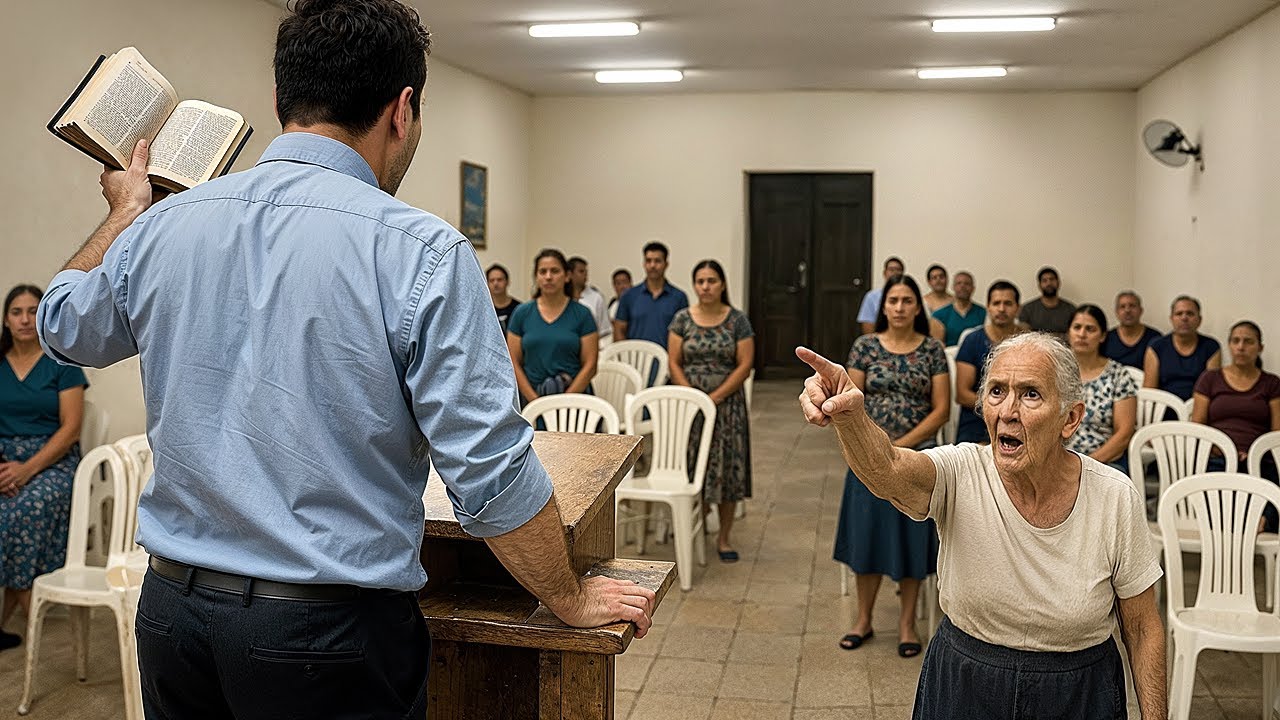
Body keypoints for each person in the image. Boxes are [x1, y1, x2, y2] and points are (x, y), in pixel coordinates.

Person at [36, 2, 654, 716]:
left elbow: (63, 326)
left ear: (278, 101)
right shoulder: (423, 252)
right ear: (403, 109)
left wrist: (124, 214)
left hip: (174, 616)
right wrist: (570, 597)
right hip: (323, 635)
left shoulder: (167, 223)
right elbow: (487, 471)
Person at [797, 332, 1166, 720]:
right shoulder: (962, 471)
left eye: (1030, 394)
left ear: (1070, 418)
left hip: (1077, 692)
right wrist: (850, 418)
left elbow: (1142, 629)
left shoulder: (1113, 496)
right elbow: (885, 469)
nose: (1008, 411)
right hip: (966, 682)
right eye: (996, 392)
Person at [833, 275, 948, 659]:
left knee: (912, 537)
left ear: (918, 307)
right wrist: (874, 447)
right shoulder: (865, 347)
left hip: (917, 454)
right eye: (893, 300)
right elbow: (850, 401)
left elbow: (941, 408)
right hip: (866, 455)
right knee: (866, 535)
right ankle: (863, 619)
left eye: (907, 300)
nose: (899, 307)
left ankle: (906, 623)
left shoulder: (931, 349)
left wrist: (901, 447)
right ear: (883, 307)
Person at [0, 285, 87, 652]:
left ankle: (20, 605)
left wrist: (26, 470)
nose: (24, 319)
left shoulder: (61, 362)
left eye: (33, 311)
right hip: (3, 461)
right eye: (16, 311)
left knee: (16, 512)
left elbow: (70, 430)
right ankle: (22, 601)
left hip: (52, 461)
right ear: (6, 319)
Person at [667, 260, 754, 562]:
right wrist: (694, 397)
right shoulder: (682, 319)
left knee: (728, 468)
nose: (706, 286)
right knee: (694, 466)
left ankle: (724, 537)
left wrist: (715, 397)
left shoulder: (737, 320)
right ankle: (696, 521)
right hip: (690, 408)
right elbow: (674, 361)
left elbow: (745, 364)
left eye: (712, 280)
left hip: (727, 406)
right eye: (701, 281)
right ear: (694, 285)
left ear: (723, 284)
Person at [1192, 321, 1280, 528]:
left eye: (1248, 342)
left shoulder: (1272, 384)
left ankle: (1258, 525)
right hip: (1216, 458)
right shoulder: (1210, 379)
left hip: (1258, 461)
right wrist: (1220, 449)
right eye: (1236, 341)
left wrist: (1253, 453)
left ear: (1260, 348)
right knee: (1218, 504)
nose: (1241, 347)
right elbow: (1197, 427)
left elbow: (1277, 433)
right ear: (1229, 345)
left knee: (1271, 490)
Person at [508, 250, 600, 402]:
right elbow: (513, 363)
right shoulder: (522, 313)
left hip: (574, 400)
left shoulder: (582, 314)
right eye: (543, 272)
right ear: (536, 277)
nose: (548, 277)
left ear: (567, 276)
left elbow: (590, 366)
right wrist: (534, 401)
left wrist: (563, 402)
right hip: (531, 399)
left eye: (555, 271)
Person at [1064, 305, 1138, 472]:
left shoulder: (1118, 375)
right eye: (1077, 327)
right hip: (1055, 459)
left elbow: (1124, 434)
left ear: (1103, 335)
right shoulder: (1054, 372)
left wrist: (1087, 465)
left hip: (1103, 463)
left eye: (1090, 329)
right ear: (1069, 332)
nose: (1082, 334)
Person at [954, 281, 1021, 444]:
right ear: (988, 307)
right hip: (977, 422)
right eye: (996, 303)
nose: (1001, 309)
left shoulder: (1029, 343)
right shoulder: (972, 340)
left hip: (1021, 419)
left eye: (1008, 303)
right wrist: (1001, 409)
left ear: (1018, 308)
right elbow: (962, 394)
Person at [1143, 295, 1222, 400]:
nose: (1184, 318)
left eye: (1190, 314)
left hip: (1198, 408)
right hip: (1163, 408)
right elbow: (1149, 391)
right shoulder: (1156, 346)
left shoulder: (1211, 347)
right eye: (1179, 314)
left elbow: (1210, 389)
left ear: (1199, 320)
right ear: (1171, 319)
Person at [613, 241, 688, 347]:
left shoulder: (679, 297)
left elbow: (683, 335)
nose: (652, 265)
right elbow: (619, 330)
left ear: (666, 264)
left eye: (657, 261)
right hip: (634, 361)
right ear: (643, 264)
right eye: (648, 261)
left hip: (667, 361)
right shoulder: (629, 296)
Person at [1103, 290, 1160, 369]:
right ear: (1117, 312)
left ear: (1141, 310)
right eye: (1122, 307)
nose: (1127, 310)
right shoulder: (1106, 339)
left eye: (1132, 306)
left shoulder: (1155, 338)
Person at [1016, 266, 1076, 338]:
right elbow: (1025, 336)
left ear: (1058, 283)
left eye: (1052, 279)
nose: (1049, 283)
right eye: (1044, 280)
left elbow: (1073, 335)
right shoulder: (1027, 309)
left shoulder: (1071, 309)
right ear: (1039, 285)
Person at [930, 271, 986, 347]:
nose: (962, 286)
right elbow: (937, 347)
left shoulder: (984, 313)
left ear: (973, 288)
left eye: (967, 284)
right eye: (959, 283)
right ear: (953, 287)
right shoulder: (939, 315)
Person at [857, 256, 905, 335]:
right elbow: (867, 327)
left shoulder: (909, 296)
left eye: (898, 270)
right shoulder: (872, 297)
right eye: (891, 269)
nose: (895, 273)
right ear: (885, 273)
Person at [567, 256, 610, 340]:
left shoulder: (596, 297)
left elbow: (605, 331)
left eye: (586, 272)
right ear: (570, 274)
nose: (585, 275)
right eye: (581, 271)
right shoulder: (561, 297)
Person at [486, 263, 520, 334]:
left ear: (507, 282)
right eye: (492, 280)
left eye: (499, 280)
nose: (495, 283)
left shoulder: (519, 308)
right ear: (487, 284)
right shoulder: (484, 309)